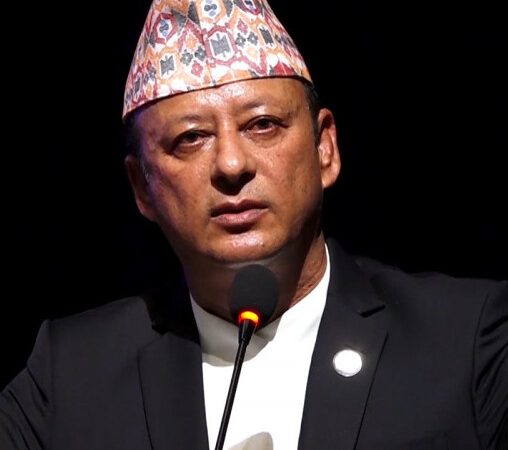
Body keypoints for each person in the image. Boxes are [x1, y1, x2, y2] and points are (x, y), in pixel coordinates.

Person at [1, 0, 506, 449]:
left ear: (325, 148)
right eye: (191, 138)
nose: (231, 164)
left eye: (262, 125)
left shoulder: (466, 337)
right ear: (142, 187)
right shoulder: (71, 374)